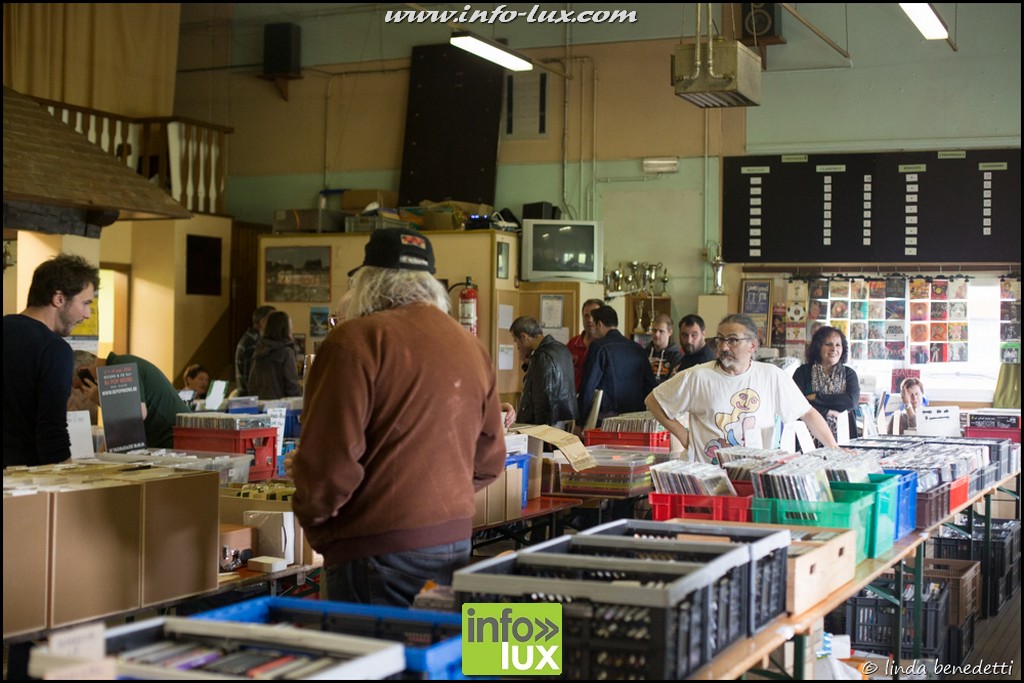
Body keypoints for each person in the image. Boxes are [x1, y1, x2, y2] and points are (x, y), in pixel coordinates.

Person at [289, 227, 506, 607]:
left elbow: (329, 468)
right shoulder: (470, 347)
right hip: (452, 543)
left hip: (373, 548)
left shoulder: (354, 341)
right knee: (436, 659)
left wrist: (321, 530)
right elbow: (489, 462)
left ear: (367, 283)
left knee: (375, 664)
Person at [646, 314, 839, 463]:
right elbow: (653, 401)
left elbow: (807, 413)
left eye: (732, 340)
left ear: (752, 345)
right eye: (720, 340)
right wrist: (684, 436)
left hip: (756, 473)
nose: (724, 347)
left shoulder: (771, 375)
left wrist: (835, 450)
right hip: (707, 474)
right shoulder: (697, 376)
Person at [4, 253, 99, 467]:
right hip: (24, 480)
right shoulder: (54, 349)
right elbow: (51, 432)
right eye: (85, 303)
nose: (87, 315)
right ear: (59, 299)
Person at [75, 351, 192, 449]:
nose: (82, 391)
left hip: (176, 441)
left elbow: (134, 416)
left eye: (80, 386)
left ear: (83, 371)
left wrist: (103, 401)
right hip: (166, 442)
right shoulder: (116, 367)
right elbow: (120, 427)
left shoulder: (120, 366)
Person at [579, 305, 656, 422]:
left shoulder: (598, 347)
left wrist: (581, 420)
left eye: (594, 326)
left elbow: (588, 386)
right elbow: (650, 385)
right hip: (636, 418)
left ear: (599, 324)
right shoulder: (638, 348)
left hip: (607, 419)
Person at [792, 326, 861, 443]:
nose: (834, 348)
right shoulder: (802, 373)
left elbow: (850, 402)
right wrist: (827, 412)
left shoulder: (849, 374)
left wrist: (815, 397)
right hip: (807, 441)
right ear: (818, 347)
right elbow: (796, 404)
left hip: (844, 439)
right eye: (828, 344)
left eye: (838, 345)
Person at [509, 316, 579, 428]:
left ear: (524, 337)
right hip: (565, 417)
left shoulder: (542, 356)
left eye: (517, 342)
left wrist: (541, 430)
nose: (518, 348)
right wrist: (529, 364)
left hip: (549, 422)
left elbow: (544, 396)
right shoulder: (562, 349)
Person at [248, 311, 302, 400]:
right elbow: (292, 386)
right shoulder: (286, 352)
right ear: (285, 328)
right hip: (281, 406)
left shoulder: (258, 350)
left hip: (258, 404)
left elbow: (252, 383)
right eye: (290, 325)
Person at [235, 305, 276, 396]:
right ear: (262, 322)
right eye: (273, 320)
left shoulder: (250, 338)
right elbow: (251, 378)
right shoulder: (253, 343)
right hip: (249, 400)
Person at [566, 298, 605, 392]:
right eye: (586, 316)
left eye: (593, 315)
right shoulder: (572, 343)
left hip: (598, 401)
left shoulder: (605, 346)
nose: (590, 320)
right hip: (573, 398)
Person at [645, 313, 683, 385]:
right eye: (654, 330)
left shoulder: (677, 357)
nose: (656, 335)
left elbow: (672, 383)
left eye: (661, 331)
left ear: (670, 332)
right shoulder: (643, 353)